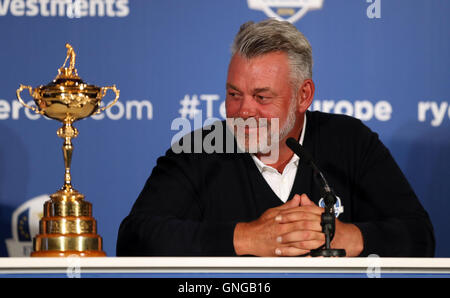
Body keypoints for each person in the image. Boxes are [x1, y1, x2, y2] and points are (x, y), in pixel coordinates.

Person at [116, 19, 435, 257]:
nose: (243, 111)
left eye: (262, 97)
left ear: (303, 95)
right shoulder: (198, 150)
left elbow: (420, 237)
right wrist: (247, 237)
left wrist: (338, 236)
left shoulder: (351, 142)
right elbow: (134, 239)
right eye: (234, 94)